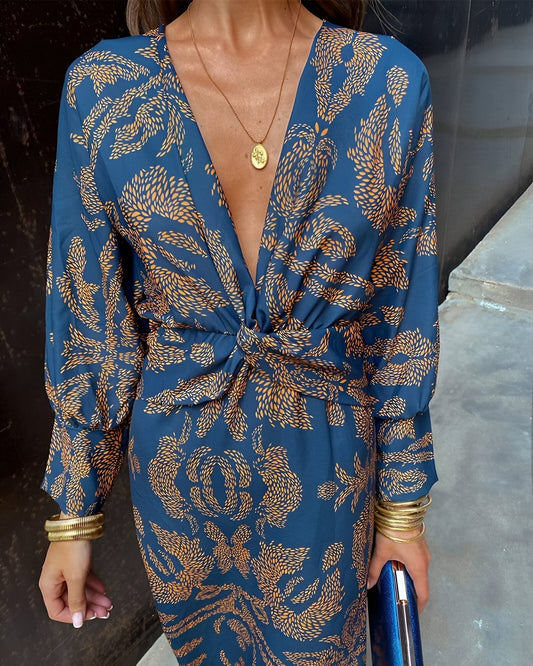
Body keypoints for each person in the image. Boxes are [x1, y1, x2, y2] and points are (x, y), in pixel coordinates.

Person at [38, 0, 439, 662]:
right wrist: (74, 515)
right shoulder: (103, 86)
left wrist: (402, 511)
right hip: (179, 478)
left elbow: (399, 321)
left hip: (326, 467)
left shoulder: (385, 80)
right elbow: (90, 319)